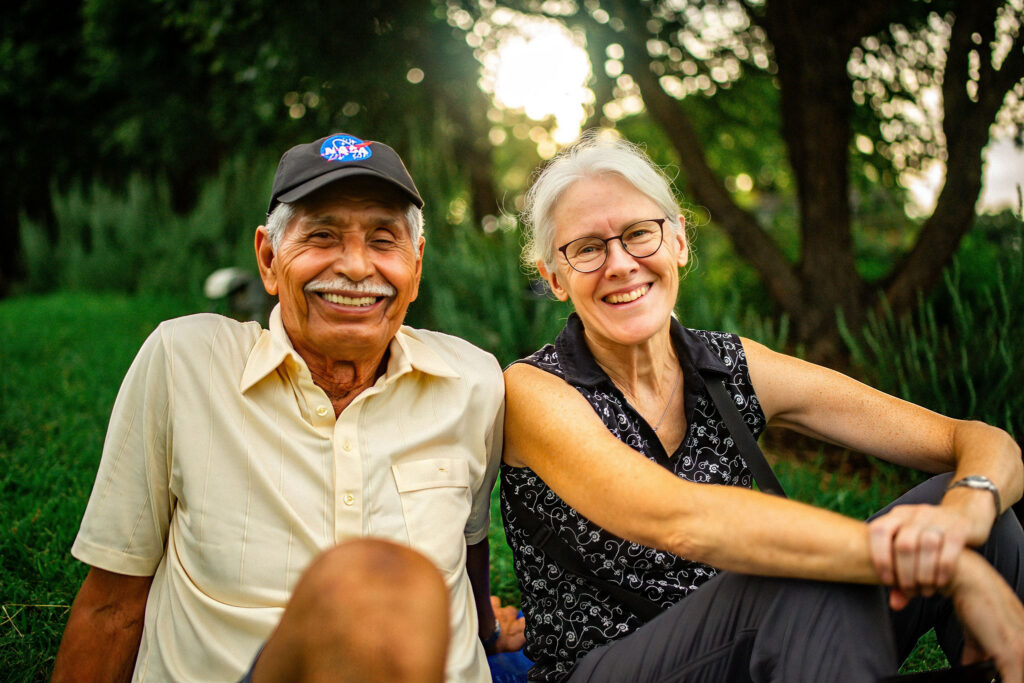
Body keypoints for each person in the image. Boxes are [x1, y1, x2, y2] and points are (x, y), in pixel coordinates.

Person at [500, 132, 1024, 683]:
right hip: (613, 670)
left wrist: (969, 511)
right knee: (793, 570)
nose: (621, 263)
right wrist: (942, 563)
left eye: (638, 234)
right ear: (554, 278)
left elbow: (974, 440)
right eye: (587, 248)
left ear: (678, 239)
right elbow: (679, 520)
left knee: (976, 515)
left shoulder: (731, 366)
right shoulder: (537, 391)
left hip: (772, 647)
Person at [52, 132, 524, 683]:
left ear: (415, 266)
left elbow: (467, 548)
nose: (354, 266)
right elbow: (112, 603)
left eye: (383, 239)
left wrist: (486, 634)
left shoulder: (473, 379)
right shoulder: (186, 363)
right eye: (322, 235)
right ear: (269, 259)